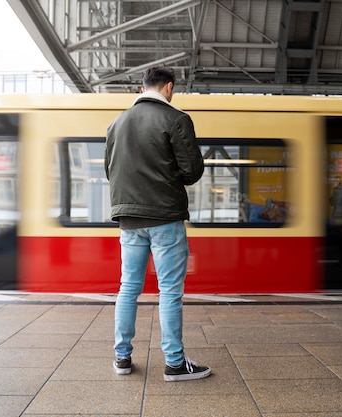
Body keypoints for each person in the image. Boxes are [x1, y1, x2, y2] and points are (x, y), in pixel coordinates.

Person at [104, 66, 211, 382]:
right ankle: (175, 363)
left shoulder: (116, 123)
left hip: (128, 220)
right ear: (168, 87)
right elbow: (191, 172)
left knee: (128, 288)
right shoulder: (176, 119)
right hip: (165, 217)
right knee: (169, 292)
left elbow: (112, 171)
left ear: (142, 88)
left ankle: (122, 359)